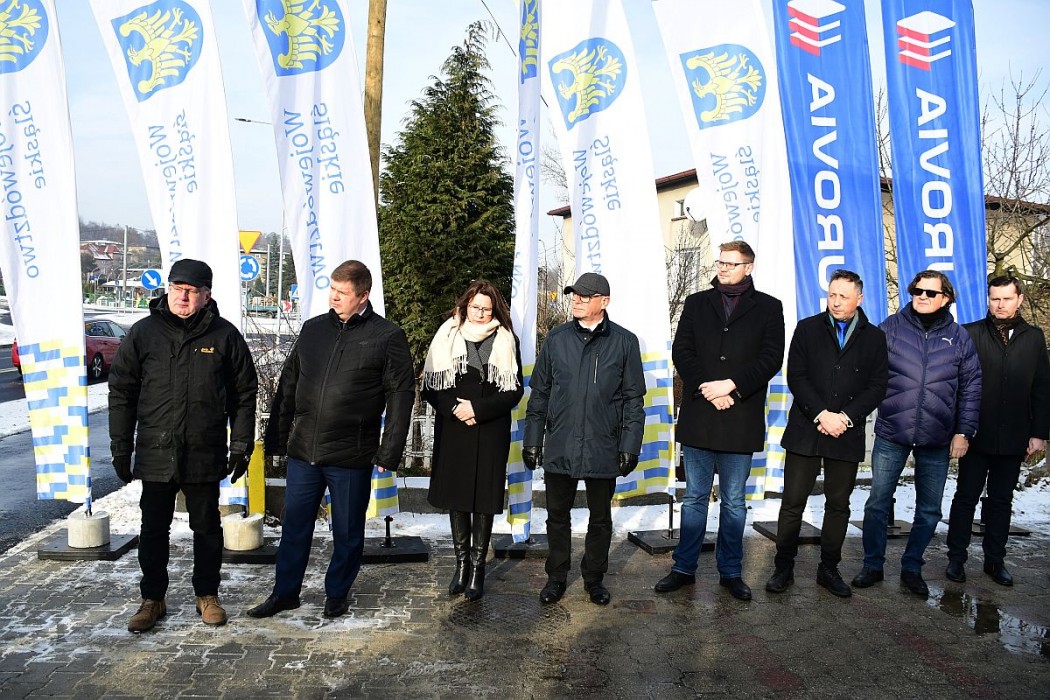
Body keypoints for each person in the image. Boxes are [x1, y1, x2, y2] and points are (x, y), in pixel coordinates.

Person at [248, 260, 414, 619]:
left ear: (363, 296)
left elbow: (401, 396)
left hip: (351, 454)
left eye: (342, 293)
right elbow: (289, 382)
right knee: (294, 527)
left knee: (348, 532)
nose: (333, 298)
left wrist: (389, 450)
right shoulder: (313, 329)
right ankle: (285, 593)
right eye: (332, 290)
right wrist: (277, 436)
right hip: (304, 450)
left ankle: (337, 593)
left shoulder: (387, 336)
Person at [108, 259, 258, 633]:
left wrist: (241, 444)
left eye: (191, 291)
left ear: (207, 295)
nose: (183, 297)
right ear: (168, 289)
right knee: (153, 528)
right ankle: (152, 599)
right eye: (177, 289)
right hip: (156, 450)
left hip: (203, 450)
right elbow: (122, 392)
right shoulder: (143, 333)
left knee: (206, 528)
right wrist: (121, 446)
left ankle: (207, 595)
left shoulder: (224, 336)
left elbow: (244, 394)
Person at [654, 240, 784, 601]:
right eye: (721, 262)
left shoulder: (769, 308)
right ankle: (683, 568)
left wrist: (732, 386)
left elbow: (771, 358)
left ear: (749, 267)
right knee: (694, 498)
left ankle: (731, 572)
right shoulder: (697, 303)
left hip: (740, 419)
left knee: (734, 502)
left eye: (731, 263)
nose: (723, 268)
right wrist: (707, 387)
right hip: (700, 415)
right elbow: (683, 350)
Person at [853, 270, 981, 597]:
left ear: (946, 298)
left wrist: (964, 431)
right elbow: (867, 371)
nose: (922, 296)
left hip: (937, 437)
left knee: (929, 509)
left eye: (930, 292)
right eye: (917, 291)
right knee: (877, 503)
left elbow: (971, 387)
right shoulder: (890, 328)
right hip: (892, 431)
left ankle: (912, 567)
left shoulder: (959, 337)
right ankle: (872, 565)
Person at [523, 272, 645, 606]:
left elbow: (634, 401)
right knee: (556, 516)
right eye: (574, 294)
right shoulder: (556, 338)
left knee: (600, 518)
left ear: (604, 302)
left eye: (585, 296)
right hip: (561, 442)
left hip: (603, 445)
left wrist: (629, 445)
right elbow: (540, 393)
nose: (576, 300)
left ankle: (594, 578)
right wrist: (532, 439)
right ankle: (556, 577)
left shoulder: (624, 342)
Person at [765, 270, 887, 598]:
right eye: (832, 295)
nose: (836, 302)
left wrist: (844, 418)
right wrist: (821, 414)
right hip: (807, 428)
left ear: (859, 299)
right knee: (792, 502)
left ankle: (829, 568)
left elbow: (877, 386)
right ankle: (783, 566)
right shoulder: (807, 328)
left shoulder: (875, 338)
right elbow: (797, 375)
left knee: (838, 505)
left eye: (843, 296)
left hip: (846, 433)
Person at [422, 280, 524, 601]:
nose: (480, 314)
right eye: (475, 307)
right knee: (458, 497)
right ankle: (461, 565)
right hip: (454, 429)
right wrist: (455, 408)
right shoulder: (447, 335)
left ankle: (478, 568)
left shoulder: (507, 339)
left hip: (490, 429)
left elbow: (514, 390)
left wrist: (477, 409)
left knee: (483, 499)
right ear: (465, 305)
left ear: (495, 310)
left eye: (486, 309)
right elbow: (431, 385)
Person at [945, 276, 1050, 586]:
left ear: (1019, 300)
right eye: (995, 299)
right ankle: (956, 559)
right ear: (988, 300)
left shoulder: (1033, 338)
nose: (1000, 304)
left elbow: (1042, 388)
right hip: (976, 433)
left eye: (1007, 298)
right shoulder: (970, 333)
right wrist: (959, 430)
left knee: (1001, 500)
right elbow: (956, 385)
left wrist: (1039, 432)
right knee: (966, 497)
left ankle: (995, 560)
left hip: (1014, 435)